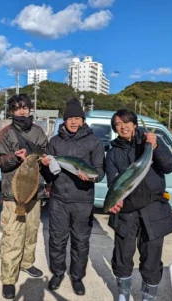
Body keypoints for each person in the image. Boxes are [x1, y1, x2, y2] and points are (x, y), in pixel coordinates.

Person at [105, 109, 172, 301]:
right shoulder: (112, 153)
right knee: (122, 255)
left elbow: (170, 166)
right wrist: (116, 200)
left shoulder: (149, 142)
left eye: (126, 122)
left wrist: (155, 147)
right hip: (126, 213)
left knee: (151, 257)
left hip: (153, 209)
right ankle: (123, 293)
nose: (122, 127)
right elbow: (113, 184)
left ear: (134, 124)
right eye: (118, 124)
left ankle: (148, 296)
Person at [43, 97, 105, 296]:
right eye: (70, 118)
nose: (73, 122)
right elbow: (47, 175)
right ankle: (58, 272)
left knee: (80, 241)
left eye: (77, 118)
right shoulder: (54, 142)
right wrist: (44, 166)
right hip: (59, 199)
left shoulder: (94, 142)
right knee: (57, 239)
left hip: (83, 200)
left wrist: (89, 178)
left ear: (83, 120)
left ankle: (77, 277)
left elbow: (100, 172)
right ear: (64, 119)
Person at [0, 94, 48, 299]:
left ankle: (26, 263)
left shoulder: (38, 131)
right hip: (13, 195)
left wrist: (43, 159)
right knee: (12, 237)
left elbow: (45, 152)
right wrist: (13, 158)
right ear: (11, 112)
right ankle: (8, 279)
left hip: (34, 192)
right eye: (18, 109)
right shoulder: (6, 133)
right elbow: (1, 162)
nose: (22, 112)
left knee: (31, 232)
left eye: (25, 108)